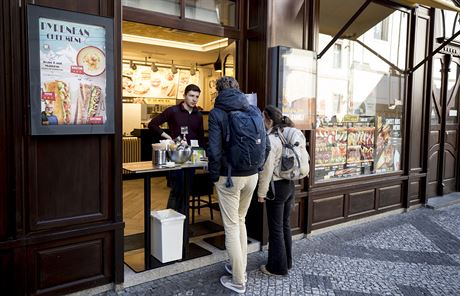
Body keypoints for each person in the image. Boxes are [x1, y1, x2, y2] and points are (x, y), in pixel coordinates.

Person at [208, 76, 269, 294]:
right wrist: (258, 168)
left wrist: (214, 175)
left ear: (218, 91)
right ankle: (239, 267)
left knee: (232, 226)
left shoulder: (217, 113)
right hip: (251, 176)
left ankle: (238, 280)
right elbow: (267, 145)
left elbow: (214, 150)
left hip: (229, 178)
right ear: (238, 89)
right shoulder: (253, 110)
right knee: (240, 221)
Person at [148, 84, 204, 214]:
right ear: (184, 96)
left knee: (186, 192)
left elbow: (200, 137)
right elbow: (152, 124)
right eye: (191, 96)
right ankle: (170, 223)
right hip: (175, 157)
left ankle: (183, 227)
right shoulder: (173, 111)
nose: (194, 99)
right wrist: (169, 137)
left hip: (191, 158)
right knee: (176, 190)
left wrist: (202, 158)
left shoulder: (198, 115)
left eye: (197, 96)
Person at [257, 105, 296, 276]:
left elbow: (266, 170)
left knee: (276, 229)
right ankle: (287, 262)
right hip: (289, 185)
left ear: (269, 120)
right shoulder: (286, 134)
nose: (261, 121)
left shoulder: (272, 140)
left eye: (262, 117)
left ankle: (276, 268)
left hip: (276, 187)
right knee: (285, 225)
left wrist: (261, 193)